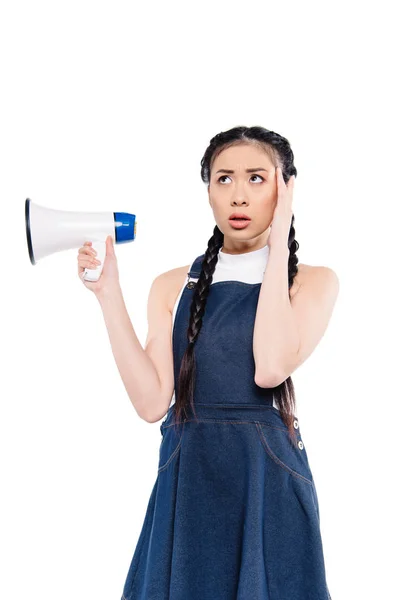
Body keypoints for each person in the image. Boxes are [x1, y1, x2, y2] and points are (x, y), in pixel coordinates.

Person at [77, 125, 339, 599]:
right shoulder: (172, 283)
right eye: (223, 179)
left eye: (257, 179)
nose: (238, 195)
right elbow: (152, 401)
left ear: (285, 188)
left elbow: (270, 367)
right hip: (188, 474)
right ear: (208, 191)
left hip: (265, 478)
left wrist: (279, 244)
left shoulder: (311, 281)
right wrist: (107, 293)